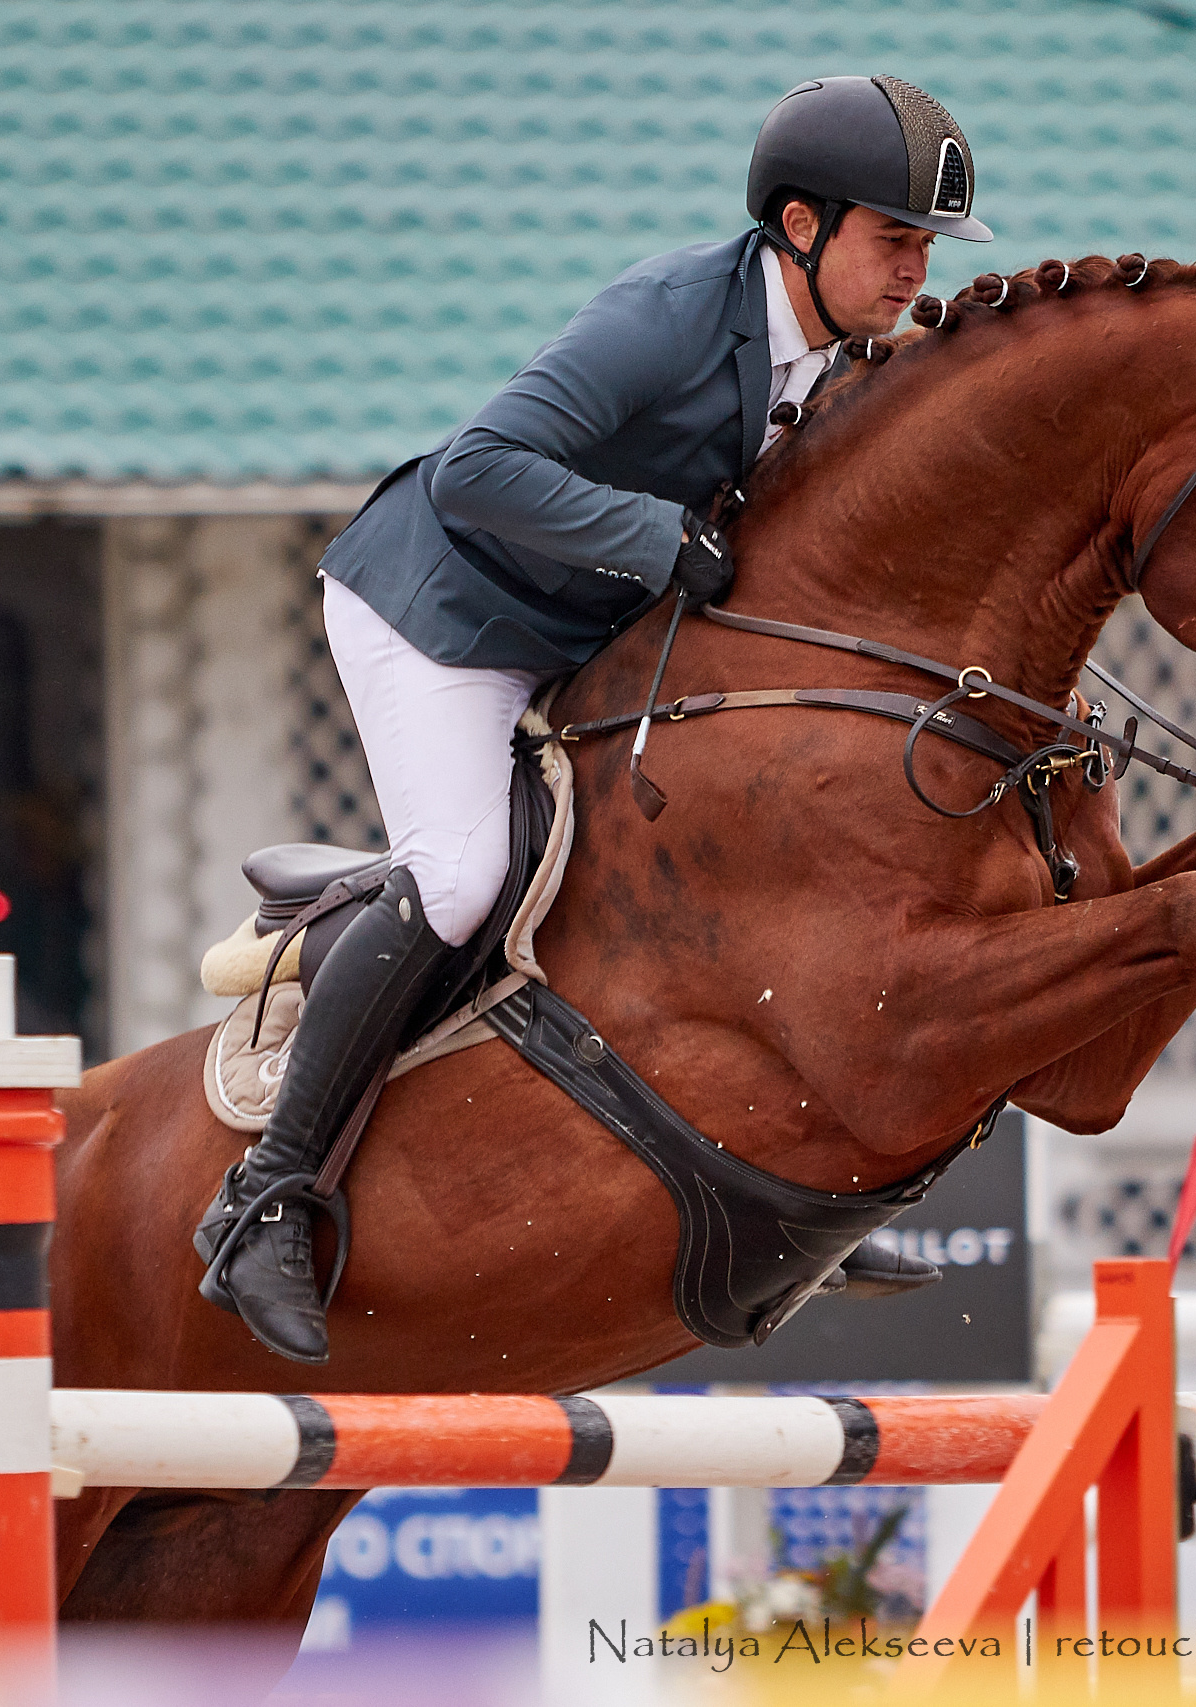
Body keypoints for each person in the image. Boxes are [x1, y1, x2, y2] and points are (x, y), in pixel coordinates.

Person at [194, 76, 995, 1363]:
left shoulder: (846, 345)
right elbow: (480, 468)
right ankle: (266, 1200)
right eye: (895, 239)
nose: (914, 270)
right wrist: (658, 536)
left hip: (580, 635)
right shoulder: (669, 318)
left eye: (924, 248)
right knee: (463, 878)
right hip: (440, 612)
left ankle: (791, 1194)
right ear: (801, 224)